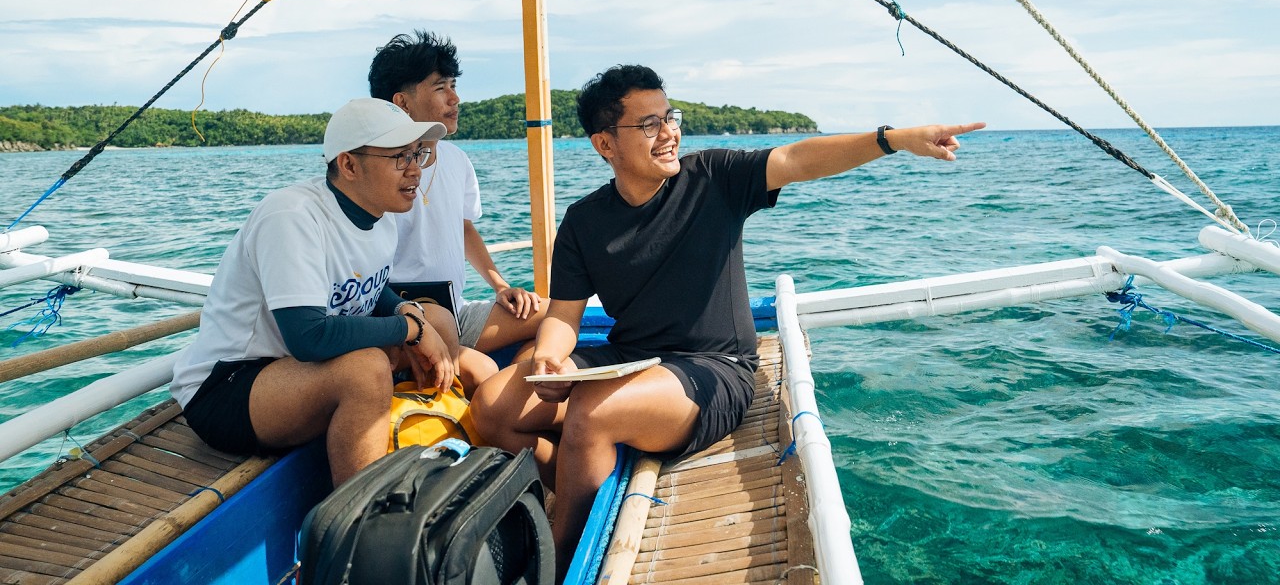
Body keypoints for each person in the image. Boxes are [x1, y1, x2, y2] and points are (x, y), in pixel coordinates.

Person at [470, 64, 986, 578]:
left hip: (713, 368)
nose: (669, 131)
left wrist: (892, 139)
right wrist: (550, 356)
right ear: (605, 144)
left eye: (669, 116)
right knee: (492, 407)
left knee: (591, 413)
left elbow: (796, 158)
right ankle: (576, 473)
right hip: (630, 356)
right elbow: (562, 317)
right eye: (648, 124)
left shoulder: (713, 178)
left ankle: (557, 566)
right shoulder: (585, 221)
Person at [170, 97, 497, 486]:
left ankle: (424, 437)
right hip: (230, 388)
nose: (415, 170)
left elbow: (370, 289)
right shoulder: (292, 217)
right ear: (349, 164)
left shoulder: (381, 217)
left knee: (439, 321)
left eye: (418, 154)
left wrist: (409, 312)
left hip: (299, 370)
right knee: (367, 369)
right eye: (399, 158)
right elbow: (309, 337)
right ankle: (362, 521)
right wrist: (410, 330)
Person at [370, 31, 545, 359]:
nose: (455, 99)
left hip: (456, 312)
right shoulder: (374, 170)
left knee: (551, 316)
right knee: (480, 368)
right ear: (401, 103)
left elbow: (463, 227)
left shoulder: (457, 160)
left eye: (454, 86)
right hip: (396, 321)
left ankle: (519, 394)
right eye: (441, 88)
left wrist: (501, 287)